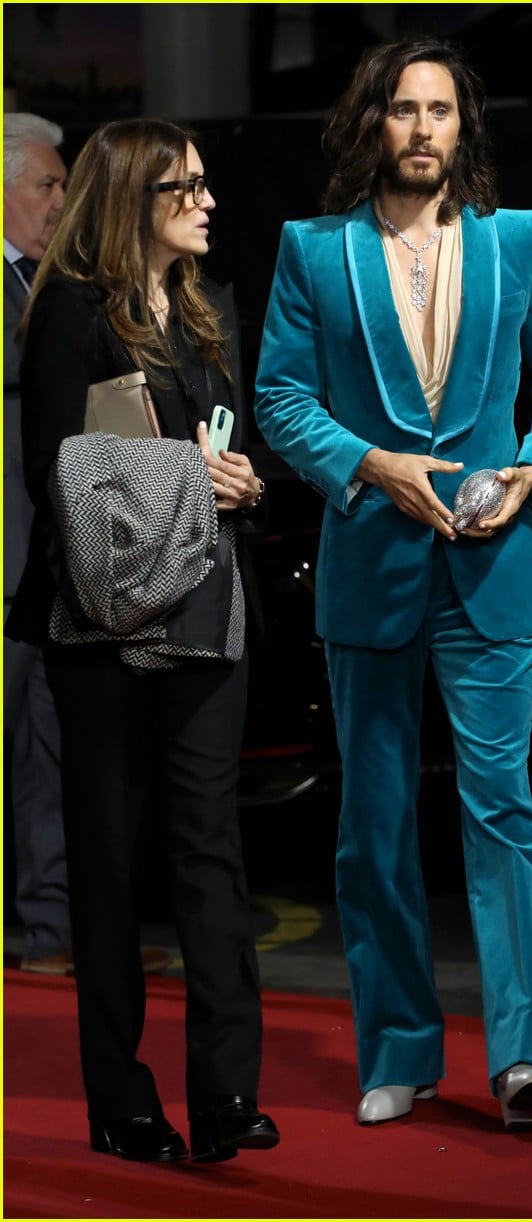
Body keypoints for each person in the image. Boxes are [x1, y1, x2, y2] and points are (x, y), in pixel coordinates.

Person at [254, 36, 532, 1132]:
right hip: (372, 567)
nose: (420, 128)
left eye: (439, 110)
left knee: (504, 810)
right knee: (374, 825)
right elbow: (280, 400)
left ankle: (522, 1056)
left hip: (493, 567)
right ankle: (399, 1049)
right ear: (373, 122)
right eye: (403, 108)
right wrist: (370, 462)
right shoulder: (313, 250)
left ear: (463, 125)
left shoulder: (521, 238)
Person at [5, 117, 279, 1165]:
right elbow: (54, 470)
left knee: (211, 848)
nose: (208, 202)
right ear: (134, 199)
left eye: (205, 184)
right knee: (110, 862)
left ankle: (227, 1092)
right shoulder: (69, 308)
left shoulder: (207, 310)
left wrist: (242, 481)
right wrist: (191, 479)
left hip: (207, 606)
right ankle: (120, 1101)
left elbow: (225, 447)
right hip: (101, 620)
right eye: (186, 188)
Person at [3, 112, 72, 973]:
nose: (61, 200)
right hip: (6, 563)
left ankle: (52, 934)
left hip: (57, 567)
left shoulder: (55, 284)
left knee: (52, 757)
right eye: (48, 184)